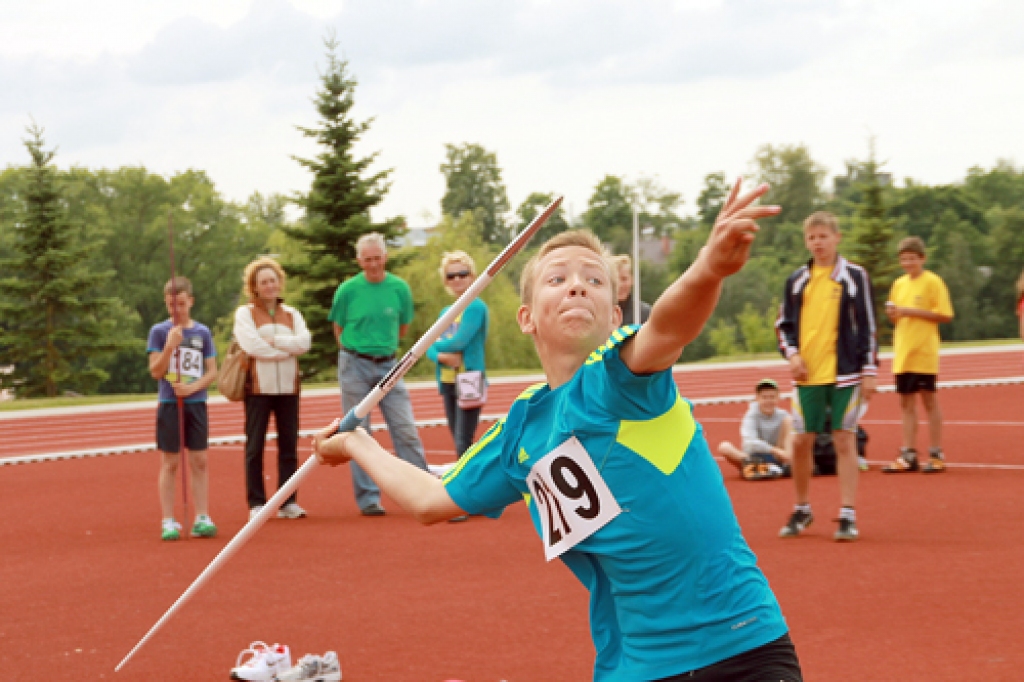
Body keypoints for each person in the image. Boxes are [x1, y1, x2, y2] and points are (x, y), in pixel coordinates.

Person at [315, 183, 804, 681]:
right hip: (636, 667)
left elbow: (671, 326)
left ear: (615, 317)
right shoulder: (522, 429)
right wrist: (358, 443)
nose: (576, 286)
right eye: (558, 278)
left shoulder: (622, 380)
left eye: (595, 279)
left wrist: (710, 267)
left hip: (741, 648)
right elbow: (431, 500)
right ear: (526, 318)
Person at [775, 211, 877, 542]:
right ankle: (802, 508)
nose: (818, 243)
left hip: (845, 374)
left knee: (844, 439)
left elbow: (868, 326)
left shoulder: (855, 277)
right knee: (802, 441)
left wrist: (869, 370)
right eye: (812, 238)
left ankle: (848, 513)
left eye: (823, 236)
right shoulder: (796, 281)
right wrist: (792, 356)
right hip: (807, 377)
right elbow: (783, 326)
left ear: (837, 237)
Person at [328, 232, 430, 517]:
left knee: (405, 428)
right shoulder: (347, 290)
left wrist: (383, 348)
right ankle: (369, 498)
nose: (373, 264)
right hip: (354, 364)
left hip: (389, 365)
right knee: (357, 431)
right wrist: (355, 352)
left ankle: (424, 491)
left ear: (385, 257)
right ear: (359, 260)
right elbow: (338, 328)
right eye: (367, 259)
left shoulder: (399, 288)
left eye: (377, 258)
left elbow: (403, 328)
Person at [233, 257, 312, 520]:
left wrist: (276, 341)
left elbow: (304, 342)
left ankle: (288, 500)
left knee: (289, 445)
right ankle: (257, 502)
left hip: (289, 389)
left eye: (272, 280)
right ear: (254, 286)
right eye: (263, 282)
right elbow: (251, 345)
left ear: (279, 282)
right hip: (258, 389)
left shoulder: (292, 314)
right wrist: (283, 352)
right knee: (255, 446)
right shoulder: (246, 314)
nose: (269, 286)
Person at [147, 276, 218, 541]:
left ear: (191, 301)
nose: (176, 310)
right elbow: (155, 371)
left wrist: (193, 387)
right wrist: (169, 347)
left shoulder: (202, 333)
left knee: (200, 460)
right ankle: (168, 519)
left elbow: (212, 372)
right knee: (171, 462)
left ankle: (202, 515)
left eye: (181, 304)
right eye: (170, 305)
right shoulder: (159, 331)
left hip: (195, 402)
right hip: (169, 404)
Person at [881, 237, 954, 474]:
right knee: (906, 403)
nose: (908, 263)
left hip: (923, 350)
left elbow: (945, 315)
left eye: (912, 258)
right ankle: (908, 453)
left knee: (929, 400)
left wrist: (909, 311)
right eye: (904, 259)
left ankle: (936, 453)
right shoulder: (899, 284)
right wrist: (893, 314)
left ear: (922, 258)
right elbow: (896, 317)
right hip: (904, 351)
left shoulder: (933, 282)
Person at [425, 250, 490, 459]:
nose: (458, 279)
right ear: (446, 280)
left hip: (469, 378)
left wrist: (435, 345)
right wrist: (440, 357)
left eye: (463, 273)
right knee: (457, 438)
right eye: (451, 275)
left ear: (472, 276)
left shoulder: (475, 307)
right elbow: (428, 348)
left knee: (464, 441)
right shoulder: (446, 312)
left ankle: (467, 488)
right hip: (447, 380)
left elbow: (459, 340)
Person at [718, 378, 793, 480]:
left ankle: (783, 465)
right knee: (724, 447)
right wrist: (774, 450)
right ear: (757, 398)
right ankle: (754, 467)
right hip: (753, 458)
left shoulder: (783, 415)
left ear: (778, 398)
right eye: (764, 397)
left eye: (772, 397)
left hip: (776, 458)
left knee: (790, 421)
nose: (768, 401)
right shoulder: (751, 416)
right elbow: (750, 442)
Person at [612, 254, 651, 325]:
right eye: (615, 280)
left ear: (632, 280)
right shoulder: (601, 313)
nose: (620, 285)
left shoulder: (645, 313)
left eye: (624, 279)